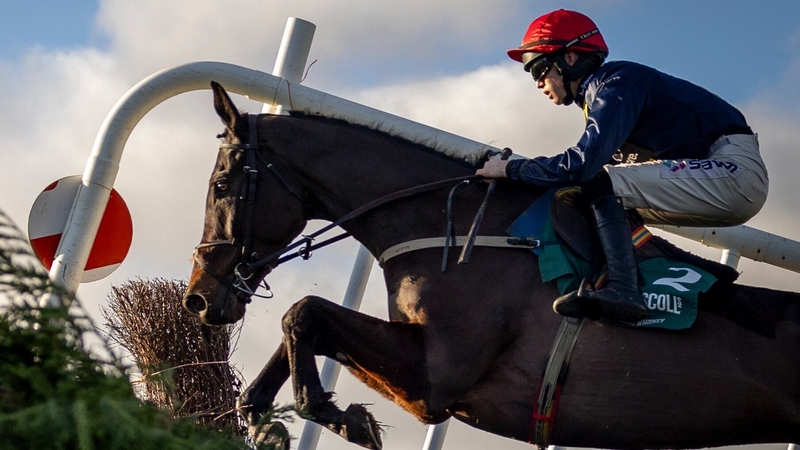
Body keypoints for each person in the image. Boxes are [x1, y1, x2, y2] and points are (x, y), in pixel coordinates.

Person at [477, 9, 768, 323]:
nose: (537, 83)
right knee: (589, 197)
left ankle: (624, 291)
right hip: (721, 175)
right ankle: (704, 270)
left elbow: (581, 166)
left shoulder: (616, 83)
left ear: (570, 58)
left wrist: (512, 169)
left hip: (734, 171)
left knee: (596, 184)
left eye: (538, 69)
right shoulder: (602, 96)